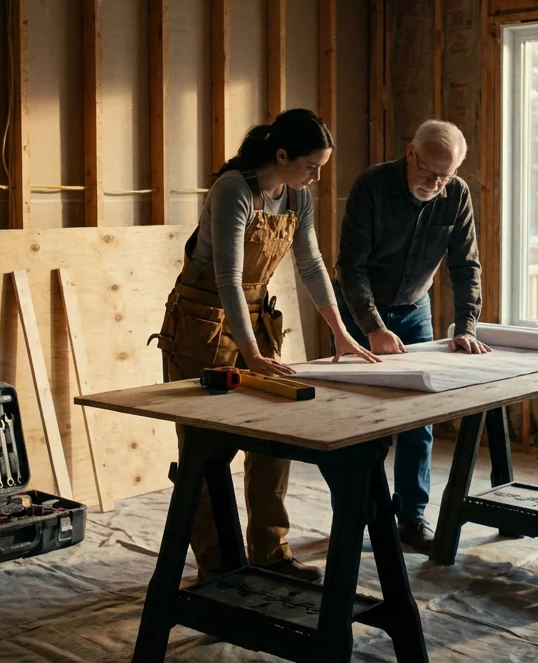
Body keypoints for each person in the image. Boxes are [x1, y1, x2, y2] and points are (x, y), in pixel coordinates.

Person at [151, 108, 379, 584]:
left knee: (274, 438)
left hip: (255, 319)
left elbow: (312, 264)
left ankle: (270, 554)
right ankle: (216, 566)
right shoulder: (235, 187)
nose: (316, 177)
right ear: (281, 155)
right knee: (205, 450)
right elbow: (227, 278)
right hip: (201, 323)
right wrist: (250, 353)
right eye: (311, 166)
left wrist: (340, 331)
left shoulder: (296, 195)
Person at [333, 118, 490, 553]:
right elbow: (351, 268)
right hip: (359, 310)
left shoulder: (455, 195)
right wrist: (373, 328)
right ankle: (355, 513)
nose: (434, 183)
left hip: (414, 309)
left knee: (419, 420)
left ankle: (411, 517)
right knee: (358, 421)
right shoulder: (372, 186)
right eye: (427, 173)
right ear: (410, 152)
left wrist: (466, 326)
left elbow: (465, 266)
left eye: (445, 176)